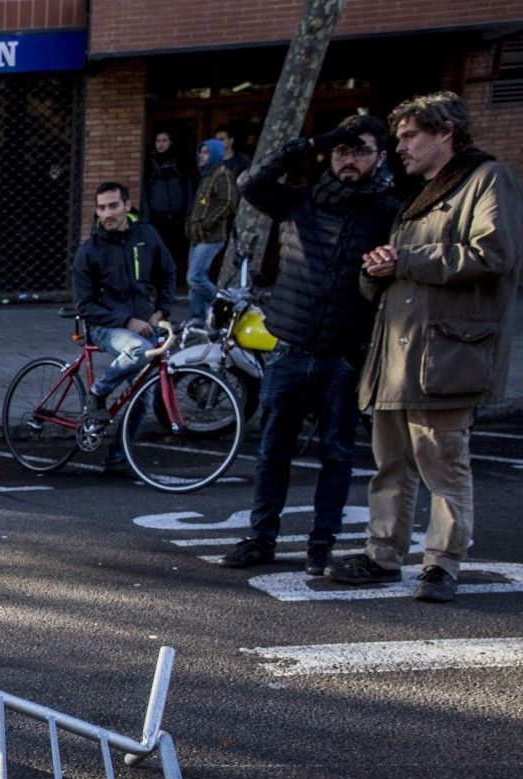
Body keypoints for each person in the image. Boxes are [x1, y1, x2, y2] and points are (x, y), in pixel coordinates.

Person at [328, 92, 522, 603]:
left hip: (447, 354)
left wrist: (405, 259)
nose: (401, 147)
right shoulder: (420, 194)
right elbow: (398, 272)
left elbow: (494, 252)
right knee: (390, 462)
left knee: (443, 463)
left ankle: (441, 565)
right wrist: (375, 271)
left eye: (410, 136)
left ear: (445, 132)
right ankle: (382, 555)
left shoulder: (487, 178)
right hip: (396, 354)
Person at [217, 115, 400, 576]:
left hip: (343, 354)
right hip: (290, 347)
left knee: (337, 455)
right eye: (341, 151)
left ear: (380, 156)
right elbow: (251, 183)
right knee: (272, 451)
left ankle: (321, 547)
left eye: (360, 150)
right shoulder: (299, 201)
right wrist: (309, 143)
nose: (349, 158)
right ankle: (261, 539)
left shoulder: (388, 211)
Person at [72, 181, 176, 471]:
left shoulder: (147, 236)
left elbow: (168, 273)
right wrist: (127, 321)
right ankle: (98, 394)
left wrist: (161, 310)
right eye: (102, 207)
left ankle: (118, 456)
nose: (107, 213)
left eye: (113, 206)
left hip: (144, 322)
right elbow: (84, 304)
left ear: (127, 206)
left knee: (142, 397)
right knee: (140, 349)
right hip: (104, 326)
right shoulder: (89, 250)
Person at [183, 138, 239, 322]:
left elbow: (228, 203)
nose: (201, 155)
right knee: (195, 281)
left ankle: (224, 307)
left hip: (211, 237)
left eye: (206, 152)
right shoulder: (207, 175)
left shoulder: (221, 173)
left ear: (215, 154)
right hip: (197, 236)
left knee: (195, 277)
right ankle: (198, 318)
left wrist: (208, 223)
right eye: (201, 151)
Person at [141, 129, 192, 275]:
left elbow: (188, 186)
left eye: (164, 140)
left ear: (170, 142)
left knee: (175, 249)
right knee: (157, 250)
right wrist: (146, 215)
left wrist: (188, 211)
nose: (161, 144)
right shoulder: (149, 163)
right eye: (158, 141)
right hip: (157, 216)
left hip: (177, 216)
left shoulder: (180, 160)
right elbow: (144, 190)